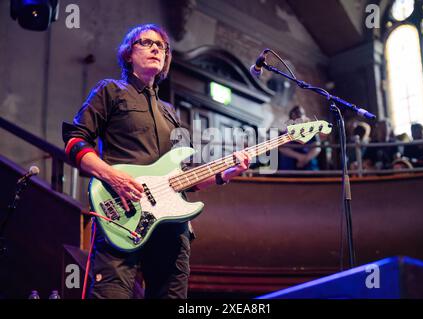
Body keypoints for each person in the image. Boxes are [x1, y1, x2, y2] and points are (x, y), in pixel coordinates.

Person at [62, 24, 251, 299]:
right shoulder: (110, 91)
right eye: (146, 43)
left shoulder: (171, 113)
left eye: (161, 46)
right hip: (123, 212)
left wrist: (226, 173)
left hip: (172, 227)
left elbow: (186, 176)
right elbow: (75, 141)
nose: (155, 48)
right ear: (128, 54)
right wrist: (112, 176)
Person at [278, 106, 321, 171]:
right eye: (296, 114)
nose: (299, 116)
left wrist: (305, 160)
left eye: (301, 113)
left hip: (309, 167)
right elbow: (282, 148)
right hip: (289, 169)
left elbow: (317, 147)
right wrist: (300, 157)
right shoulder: (284, 133)